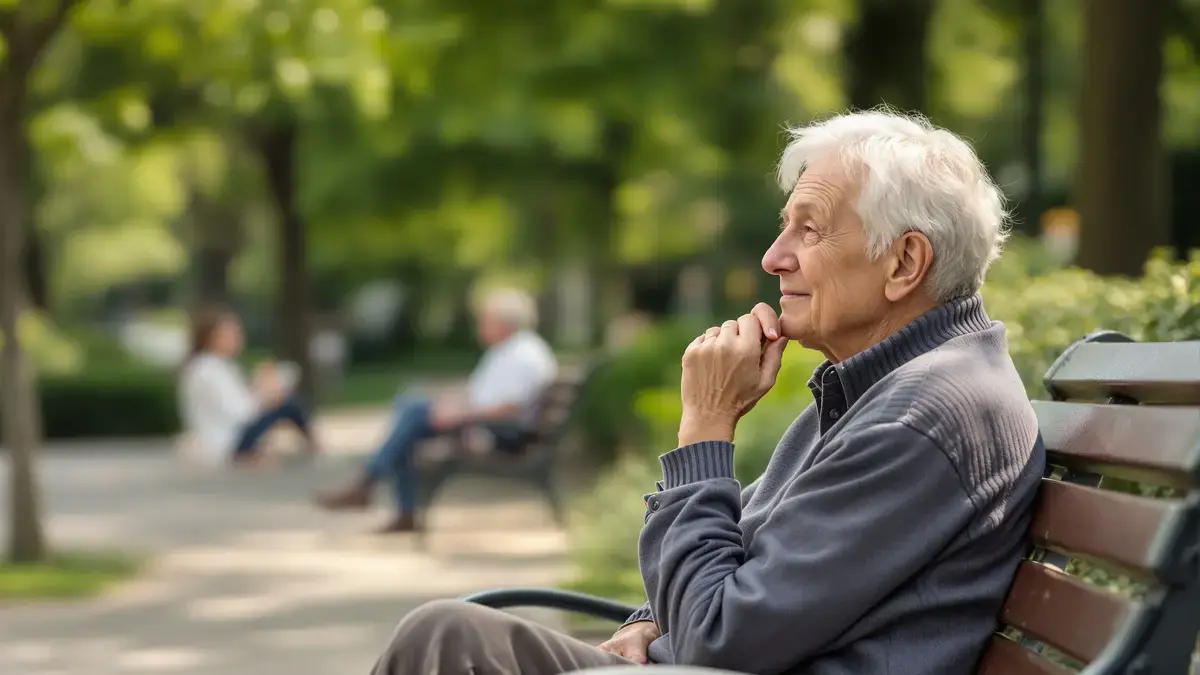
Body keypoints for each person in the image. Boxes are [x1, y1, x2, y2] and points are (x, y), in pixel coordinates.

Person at [366, 108, 1046, 675]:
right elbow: (743, 562)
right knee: (450, 637)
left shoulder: (926, 410)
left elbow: (721, 637)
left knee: (443, 643)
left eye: (808, 228)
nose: (773, 257)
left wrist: (706, 426)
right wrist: (651, 617)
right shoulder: (886, 385)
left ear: (904, 262)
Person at [315, 287, 558, 534]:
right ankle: (383, 497)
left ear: (505, 323)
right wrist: (449, 404)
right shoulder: (507, 350)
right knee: (409, 412)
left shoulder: (524, 354)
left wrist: (461, 414)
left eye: (485, 320)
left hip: (503, 433)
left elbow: (509, 407)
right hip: (487, 424)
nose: (480, 326)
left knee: (410, 417)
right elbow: (479, 395)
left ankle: (371, 488)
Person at [178, 307, 316, 468]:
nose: (238, 338)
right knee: (289, 403)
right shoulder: (208, 369)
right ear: (211, 337)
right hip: (227, 443)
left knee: (286, 397)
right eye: (231, 334)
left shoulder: (214, 366)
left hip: (225, 438)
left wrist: (260, 388)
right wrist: (265, 393)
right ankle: (314, 444)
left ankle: (311, 443)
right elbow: (241, 413)